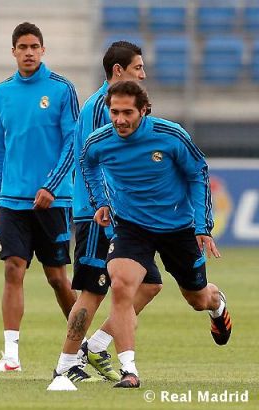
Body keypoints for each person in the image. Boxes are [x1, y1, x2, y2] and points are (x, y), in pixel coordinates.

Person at [80, 81, 232, 388]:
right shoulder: (99, 141)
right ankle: (129, 370)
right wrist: (102, 201)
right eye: (114, 112)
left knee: (198, 298)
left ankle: (218, 305)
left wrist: (202, 227)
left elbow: (198, 173)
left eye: (127, 112)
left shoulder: (171, 135)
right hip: (132, 226)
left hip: (178, 227)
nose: (119, 119)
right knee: (121, 285)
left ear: (144, 111)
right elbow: (87, 164)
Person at [52, 41, 162, 384]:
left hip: (122, 213)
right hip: (98, 213)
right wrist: (104, 203)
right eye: (138, 67)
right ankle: (66, 363)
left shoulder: (115, 104)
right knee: (94, 289)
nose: (143, 74)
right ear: (118, 70)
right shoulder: (104, 106)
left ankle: (96, 345)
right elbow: (94, 160)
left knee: (150, 284)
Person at [0, 22, 78, 372]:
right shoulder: (1, 93)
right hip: (12, 200)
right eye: (22, 47)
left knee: (57, 277)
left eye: (34, 47)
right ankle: (11, 356)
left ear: (43, 50)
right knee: (13, 269)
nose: (28, 52)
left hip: (53, 200)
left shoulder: (61, 89)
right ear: (13, 51)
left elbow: (73, 142)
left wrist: (51, 186)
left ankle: (81, 348)